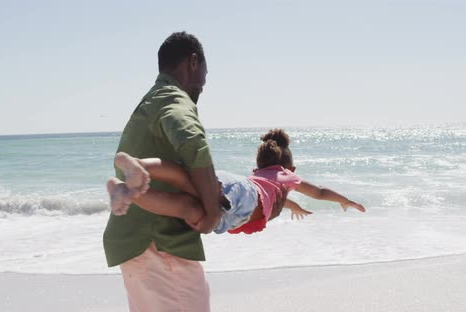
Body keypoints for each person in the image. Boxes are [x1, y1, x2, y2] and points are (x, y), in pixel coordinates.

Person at [102, 31, 224, 312]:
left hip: (137, 243)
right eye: (205, 71)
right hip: (158, 245)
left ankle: (127, 182)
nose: (204, 83)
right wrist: (212, 213)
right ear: (193, 62)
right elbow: (192, 140)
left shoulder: (151, 100)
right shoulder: (174, 99)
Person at [107, 128, 366, 235]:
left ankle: (134, 174)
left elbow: (270, 196)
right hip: (240, 204)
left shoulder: (262, 179)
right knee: (189, 210)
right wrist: (344, 200)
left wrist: (292, 206)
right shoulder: (286, 177)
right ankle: (131, 191)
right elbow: (319, 192)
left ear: (258, 166)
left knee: (185, 179)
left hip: (234, 184)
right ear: (291, 169)